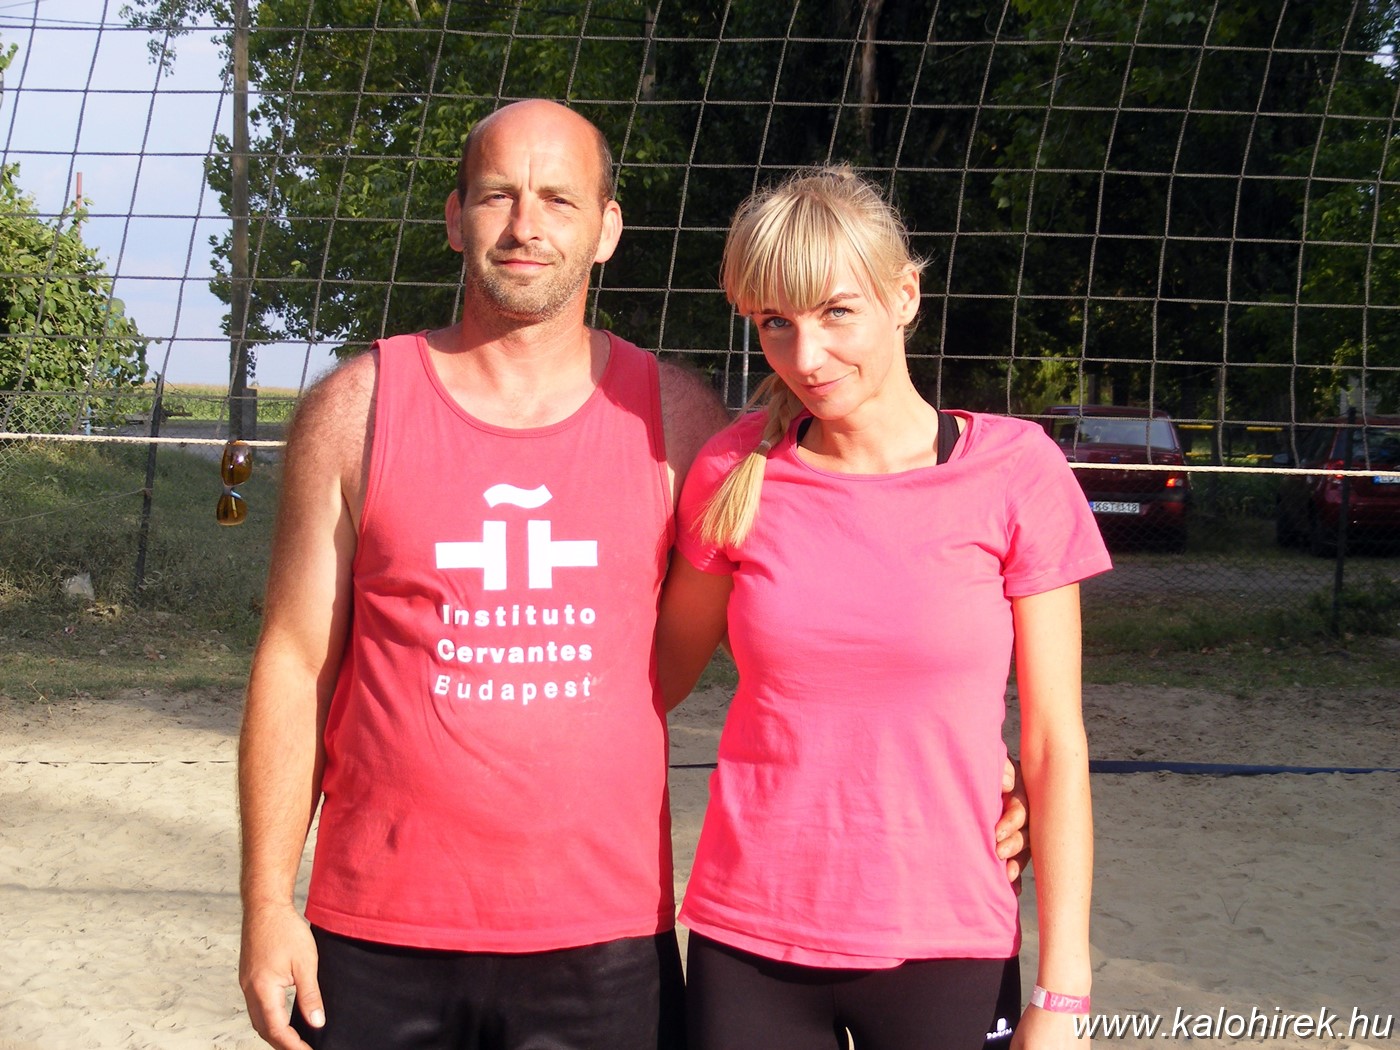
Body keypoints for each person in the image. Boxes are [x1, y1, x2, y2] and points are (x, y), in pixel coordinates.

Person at [236, 100, 1032, 1050]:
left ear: (607, 229)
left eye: (559, 199)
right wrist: (264, 902)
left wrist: (977, 773)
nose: (526, 226)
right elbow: (293, 661)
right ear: (455, 217)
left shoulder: (682, 422)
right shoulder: (355, 410)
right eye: (497, 195)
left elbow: (856, 583)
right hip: (376, 933)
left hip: (605, 940)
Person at [655, 167, 1111, 1050]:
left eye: (836, 312)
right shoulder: (734, 471)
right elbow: (650, 684)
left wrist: (1065, 993)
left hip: (949, 937)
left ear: (904, 295)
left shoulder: (1016, 471)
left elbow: (1056, 742)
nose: (806, 357)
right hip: (751, 939)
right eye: (775, 323)